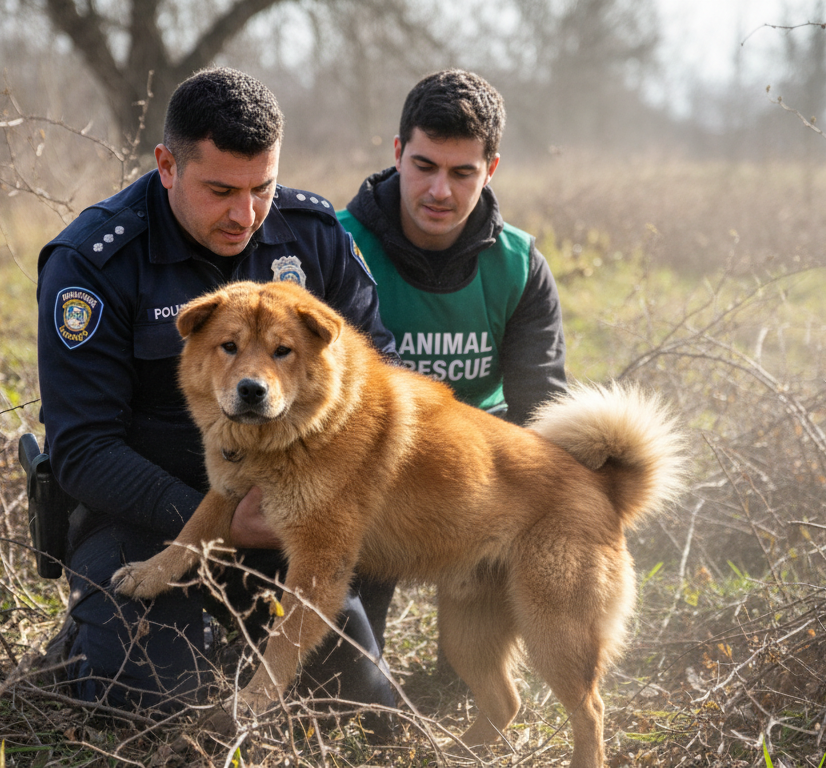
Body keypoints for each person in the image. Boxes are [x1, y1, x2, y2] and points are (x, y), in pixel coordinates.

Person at [36, 67, 398, 715]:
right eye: (221, 190)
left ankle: (246, 641)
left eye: (263, 187)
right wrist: (219, 522)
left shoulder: (310, 236)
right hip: (144, 521)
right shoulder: (95, 261)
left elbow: (383, 388)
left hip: (287, 515)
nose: (246, 214)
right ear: (167, 165)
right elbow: (83, 449)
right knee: (158, 706)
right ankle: (84, 648)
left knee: (347, 705)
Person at [338, 70, 567, 425]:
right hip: (358, 458)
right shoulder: (332, 244)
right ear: (398, 153)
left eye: (462, 173)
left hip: (479, 457)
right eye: (425, 166)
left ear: (490, 169)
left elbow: (541, 415)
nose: (439, 190)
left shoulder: (520, 267)